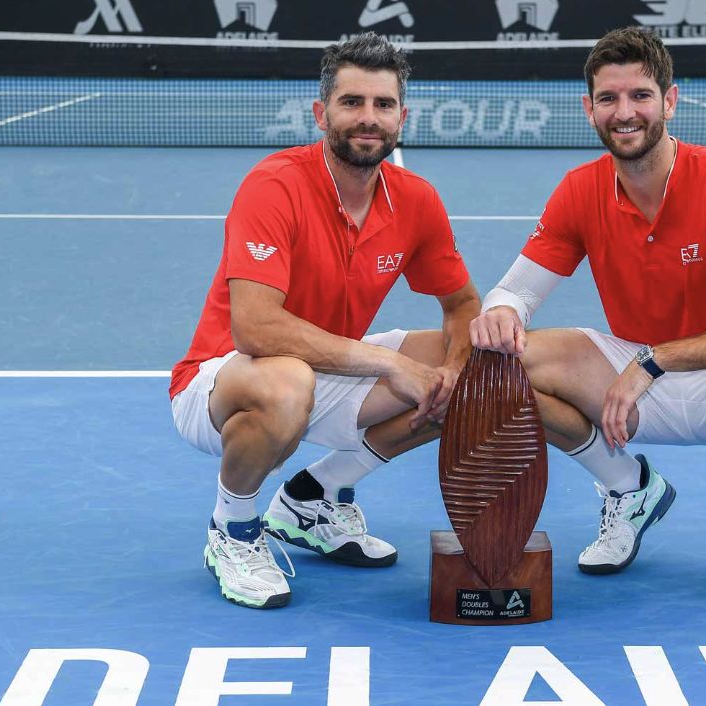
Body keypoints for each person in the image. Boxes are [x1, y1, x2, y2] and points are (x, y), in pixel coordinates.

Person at [469, 26, 706, 604]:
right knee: (503, 364)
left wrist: (654, 362)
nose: (624, 112)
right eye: (609, 99)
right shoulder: (581, 190)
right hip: (629, 375)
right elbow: (516, 291)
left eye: (640, 96)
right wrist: (500, 312)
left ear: (670, 101)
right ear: (589, 109)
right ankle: (628, 489)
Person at [170, 33, 479, 609]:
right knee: (289, 381)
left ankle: (314, 497)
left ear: (401, 117)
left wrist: (454, 373)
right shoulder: (275, 185)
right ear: (321, 113)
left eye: (383, 105)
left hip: (330, 368)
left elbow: (462, 305)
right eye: (352, 102)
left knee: (481, 369)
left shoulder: (416, 201)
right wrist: (391, 365)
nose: (369, 118)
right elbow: (256, 330)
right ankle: (233, 528)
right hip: (225, 381)